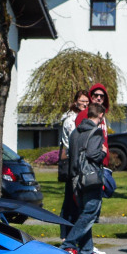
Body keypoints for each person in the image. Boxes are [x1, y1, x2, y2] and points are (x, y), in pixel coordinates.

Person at [64, 102, 109, 254]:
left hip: (76, 179)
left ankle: (86, 251)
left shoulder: (75, 133)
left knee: (84, 213)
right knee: (89, 214)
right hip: (90, 179)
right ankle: (69, 244)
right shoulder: (96, 132)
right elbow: (93, 155)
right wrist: (102, 152)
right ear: (101, 116)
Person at [58, 90, 90, 239]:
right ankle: (66, 233)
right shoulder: (71, 119)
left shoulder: (86, 117)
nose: (84, 104)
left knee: (76, 199)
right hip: (73, 160)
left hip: (81, 160)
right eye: (82, 101)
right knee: (71, 198)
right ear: (76, 101)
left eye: (86, 101)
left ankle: (72, 233)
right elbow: (73, 142)